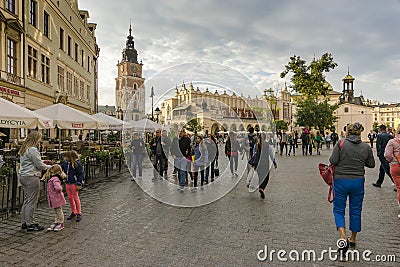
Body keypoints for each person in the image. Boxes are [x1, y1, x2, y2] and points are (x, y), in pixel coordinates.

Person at [329, 122, 375, 254]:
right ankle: (353, 239)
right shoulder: (366, 147)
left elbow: (333, 160)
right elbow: (371, 164)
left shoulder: (341, 144)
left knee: (338, 210)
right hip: (358, 181)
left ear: (347, 132)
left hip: (341, 180)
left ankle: (343, 238)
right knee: (356, 210)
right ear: (360, 133)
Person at [19, 131, 51, 231]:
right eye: (39, 138)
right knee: (32, 201)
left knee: (27, 200)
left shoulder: (24, 149)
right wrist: (51, 167)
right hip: (32, 176)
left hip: (24, 175)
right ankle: (30, 223)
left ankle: (24, 221)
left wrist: (43, 162)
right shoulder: (32, 149)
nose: (40, 141)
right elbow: (39, 165)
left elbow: (33, 162)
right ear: (36, 139)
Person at [42, 165, 67, 231]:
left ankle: (61, 223)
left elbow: (58, 187)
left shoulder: (55, 179)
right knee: (56, 211)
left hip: (56, 197)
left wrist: (56, 190)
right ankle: (57, 222)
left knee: (58, 211)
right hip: (55, 198)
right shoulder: (55, 178)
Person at [61, 150, 84, 222]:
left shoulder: (77, 164)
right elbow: (61, 168)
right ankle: (73, 211)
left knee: (76, 198)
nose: (65, 159)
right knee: (70, 198)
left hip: (74, 183)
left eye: (67, 157)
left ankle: (79, 213)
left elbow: (80, 174)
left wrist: (79, 183)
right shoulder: (65, 163)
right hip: (67, 183)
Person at [253, 133, 277, 199]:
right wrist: (274, 163)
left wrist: (253, 164)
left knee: (260, 177)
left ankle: (260, 187)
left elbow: (253, 155)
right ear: (265, 137)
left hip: (258, 164)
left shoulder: (256, 145)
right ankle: (262, 188)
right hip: (265, 163)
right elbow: (271, 155)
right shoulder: (268, 145)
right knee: (266, 177)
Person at [384, 125, 400, 218]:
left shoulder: (392, 141)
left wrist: (394, 159)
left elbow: (387, 155)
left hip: (396, 166)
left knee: (399, 188)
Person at [373, 124, 395, 190]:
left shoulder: (379, 135)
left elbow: (378, 145)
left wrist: (379, 153)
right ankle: (379, 183)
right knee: (382, 169)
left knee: (387, 169)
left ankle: (396, 183)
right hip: (388, 153)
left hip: (382, 154)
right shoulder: (390, 135)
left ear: (380, 129)